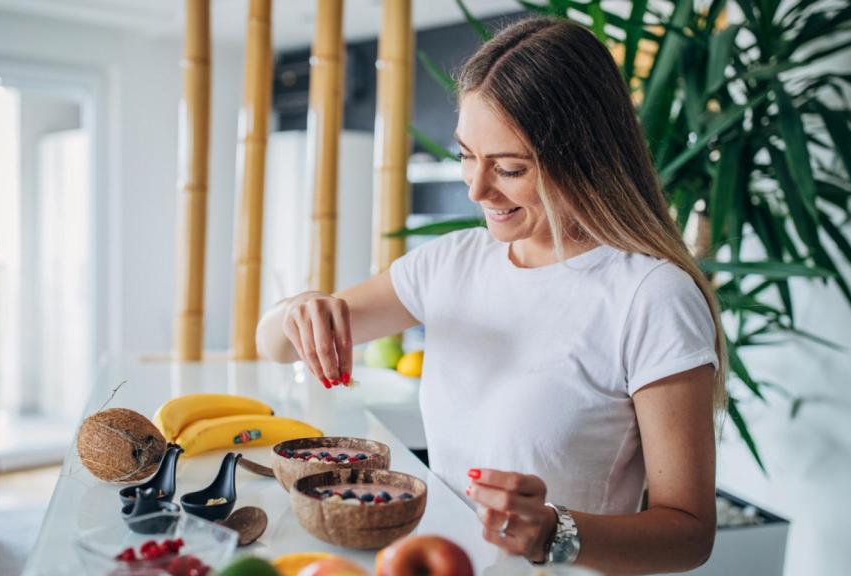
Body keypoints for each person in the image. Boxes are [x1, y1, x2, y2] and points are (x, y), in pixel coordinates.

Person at [257, 16, 726, 573]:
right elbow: (275, 345)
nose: (476, 189)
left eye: (508, 167)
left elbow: (690, 534)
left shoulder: (651, 297)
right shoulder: (450, 262)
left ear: (584, 158)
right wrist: (304, 307)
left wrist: (554, 531)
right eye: (465, 155)